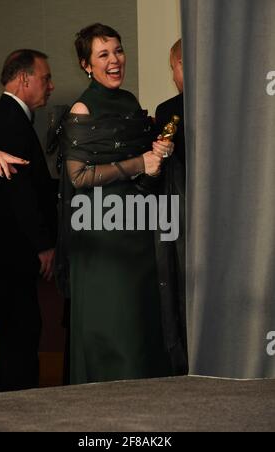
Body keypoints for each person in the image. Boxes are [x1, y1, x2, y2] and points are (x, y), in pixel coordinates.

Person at [56, 23, 175, 385]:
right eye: (103, 54)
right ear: (86, 64)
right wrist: (141, 162)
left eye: (118, 51)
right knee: (114, 323)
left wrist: (157, 158)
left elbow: (144, 180)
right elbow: (78, 177)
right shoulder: (82, 107)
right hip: (101, 236)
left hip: (137, 232)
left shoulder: (128, 102)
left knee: (140, 326)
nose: (114, 61)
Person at [0, 49, 57, 392]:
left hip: (4, 252)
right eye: (45, 77)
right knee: (21, 332)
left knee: (16, 334)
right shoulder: (8, 119)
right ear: (25, 79)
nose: (50, 86)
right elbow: (19, 194)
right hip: (9, 253)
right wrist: (43, 245)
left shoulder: (6, 115)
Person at [155, 38, 188, 374]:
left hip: (181, 219)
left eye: (173, 68)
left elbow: (157, 175)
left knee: (181, 292)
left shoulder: (169, 111)